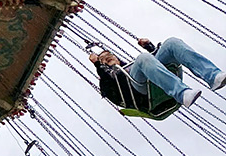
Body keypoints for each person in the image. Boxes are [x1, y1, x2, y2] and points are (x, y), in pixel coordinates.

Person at [87, 36, 226, 113]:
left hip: (150, 76)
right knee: (142, 58)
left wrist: (149, 47)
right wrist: (98, 65)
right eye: (103, 59)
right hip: (140, 91)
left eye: (109, 55)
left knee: (172, 43)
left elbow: (153, 63)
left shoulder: (130, 67)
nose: (107, 58)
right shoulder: (110, 79)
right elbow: (110, 92)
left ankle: (213, 76)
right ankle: (182, 94)